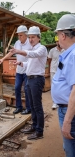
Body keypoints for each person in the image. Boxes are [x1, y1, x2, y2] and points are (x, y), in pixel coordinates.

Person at [10, 26, 47, 140]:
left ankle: (39, 131)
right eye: (30, 37)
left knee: (37, 106)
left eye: (33, 37)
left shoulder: (41, 48)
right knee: (32, 105)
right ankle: (34, 126)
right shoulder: (32, 49)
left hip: (37, 79)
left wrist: (18, 51)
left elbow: (32, 55)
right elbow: (28, 64)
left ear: (38, 38)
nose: (31, 39)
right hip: (30, 79)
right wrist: (21, 63)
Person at [51, 14, 75, 157]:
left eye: (58, 34)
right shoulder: (70, 53)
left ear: (63, 35)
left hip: (69, 111)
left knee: (71, 150)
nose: (58, 38)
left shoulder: (73, 55)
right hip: (67, 109)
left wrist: (67, 120)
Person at [0, 25, 31, 115]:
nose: (19, 37)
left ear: (26, 35)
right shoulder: (17, 43)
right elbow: (11, 53)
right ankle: (18, 107)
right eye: (18, 35)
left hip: (27, 70)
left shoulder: (30, 43)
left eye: (21, 35)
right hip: (19, 70)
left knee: (27, 89)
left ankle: (28, 108)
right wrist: (2, 59)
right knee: (17, 88)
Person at [48, 36, 64, 109]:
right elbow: (49, 60)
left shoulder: (65, 50)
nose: (58, 42)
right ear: (56, 42)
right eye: (57, 41)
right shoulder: (52, 51)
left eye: (59, 41)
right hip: (53, 71)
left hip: (62, 71)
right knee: (53, 87)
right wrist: (49, 70)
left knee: (61, 86)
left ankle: (61, 102)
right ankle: (54, 102)